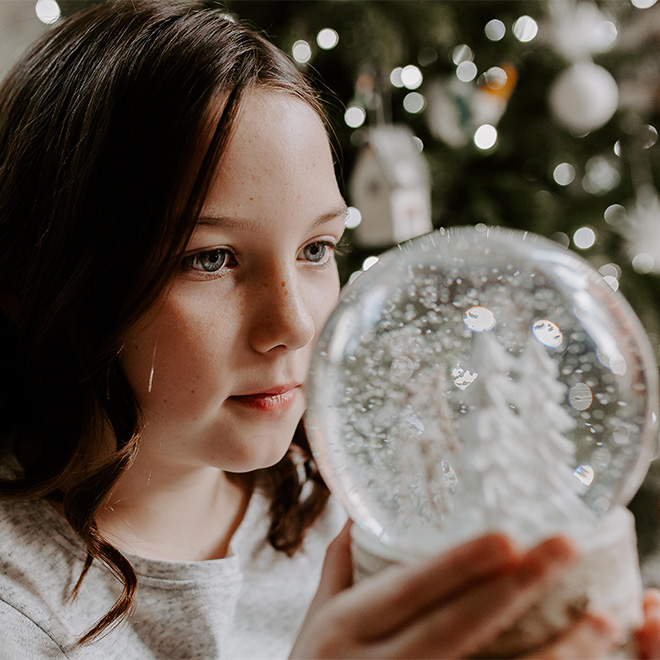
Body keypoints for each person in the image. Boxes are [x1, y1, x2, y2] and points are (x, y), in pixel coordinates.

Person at [0, 1, 657, 658]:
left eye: (317, 249)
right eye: (209, 259)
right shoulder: (20, 609)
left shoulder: (348, 496)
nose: (294, 324)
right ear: (32, 280)